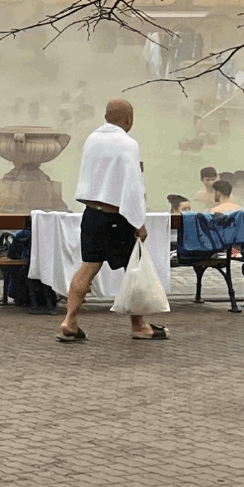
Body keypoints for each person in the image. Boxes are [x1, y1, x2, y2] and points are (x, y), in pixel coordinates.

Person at [58, 98, 165, 343]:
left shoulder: (92, 139)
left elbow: (105, 174)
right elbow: (132, 186)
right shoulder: (128, 144)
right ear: (129, 118)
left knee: (88, 266)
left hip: (91, 213)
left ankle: (70, 321)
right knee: (134, 269)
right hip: (116, 216)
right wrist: (139, 222)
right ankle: (139, 325)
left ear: (106, 117)